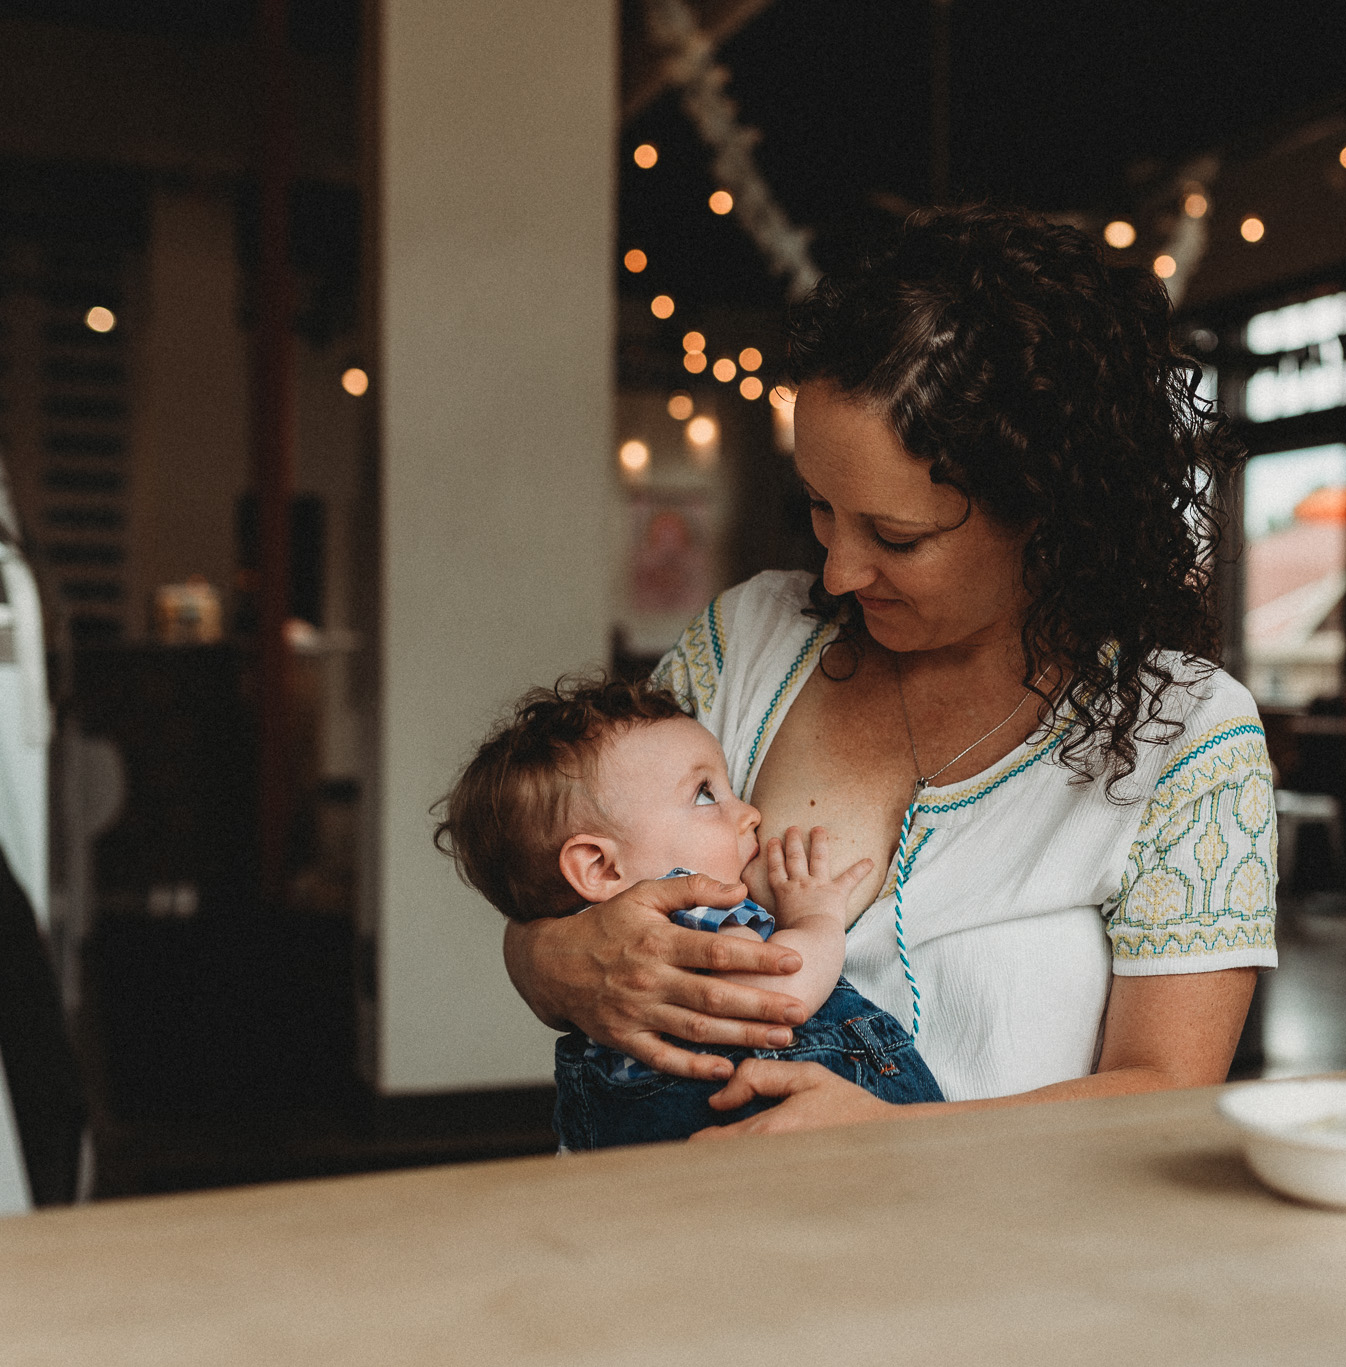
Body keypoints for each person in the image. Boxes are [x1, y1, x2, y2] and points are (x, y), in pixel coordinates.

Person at [502, 205, 1276, 1136]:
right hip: (676, 1245)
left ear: (1046, 513)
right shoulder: (750, 638)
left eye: (896, 537)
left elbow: (1168, 1089)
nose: (838, 571)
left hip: (991, 1259)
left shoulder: (1185, 738)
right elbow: (566, 894)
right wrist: (554, 961)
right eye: (822, 510)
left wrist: (895, 1140)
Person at [436, 677, 943, 1147]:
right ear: (599, 865)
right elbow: (782, 994)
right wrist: (816, 919)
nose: (748, 812)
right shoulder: (690, 915)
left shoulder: (614, 960)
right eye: (706, 795)